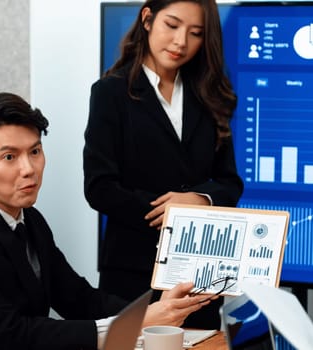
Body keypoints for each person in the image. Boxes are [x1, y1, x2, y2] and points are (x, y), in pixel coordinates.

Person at [0, 92, 212, 350]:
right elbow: (14, 334)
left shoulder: (30, 220)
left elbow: (79, 299)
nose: (28, 169)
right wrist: (136, 323)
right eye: (9, 157)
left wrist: (156, 310)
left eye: (35, 151)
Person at [83, 0, 244, 329]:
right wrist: (170, 212)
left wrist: (201, 200)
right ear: (147, 19)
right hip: (132, 271)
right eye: (172, 25)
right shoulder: (110, 93)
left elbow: (230, 183)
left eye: (195, 33)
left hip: (199, 273)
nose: (181, 41)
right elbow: (99, 188)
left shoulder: (211, 94)